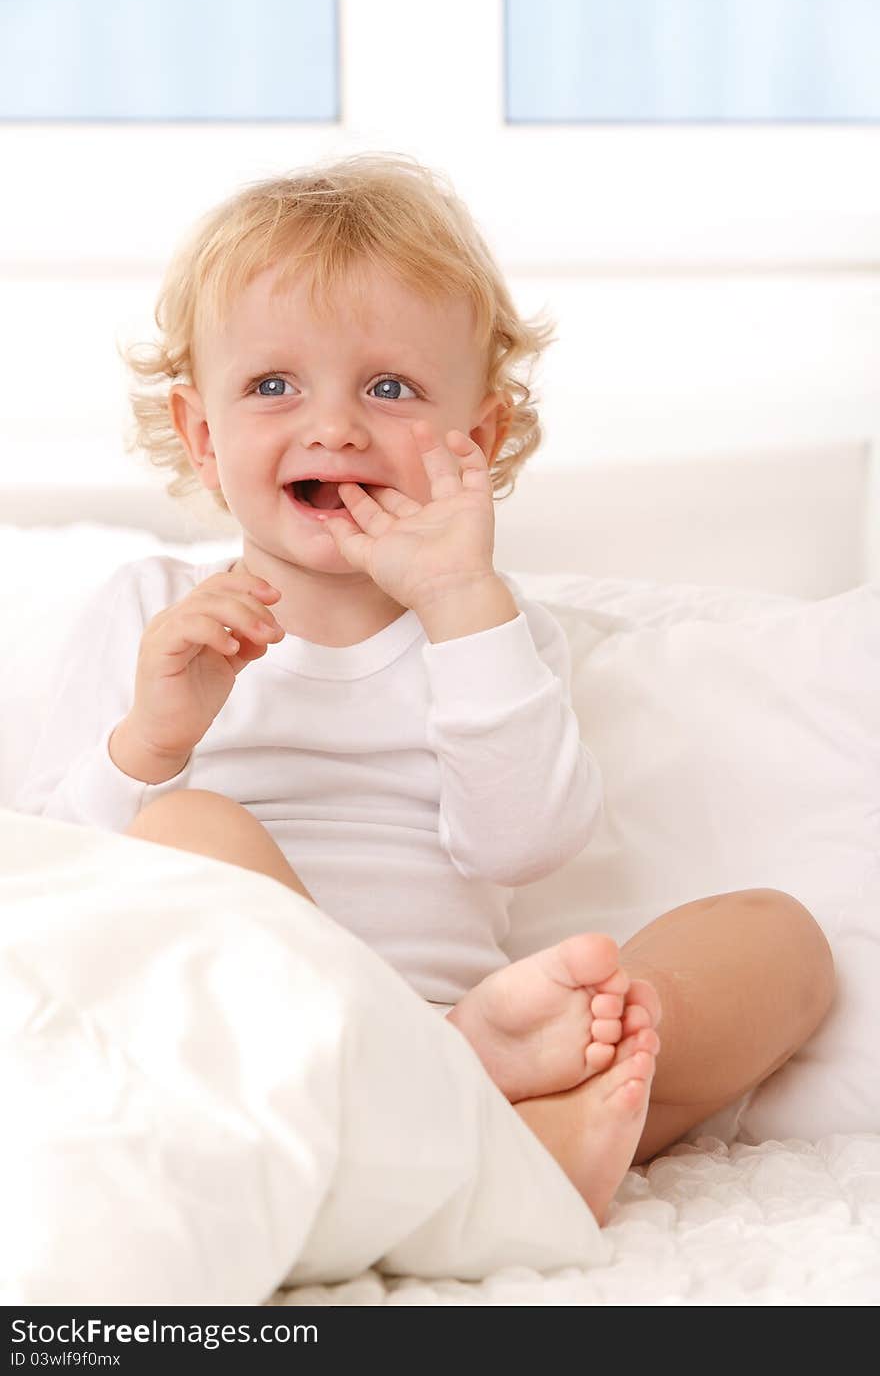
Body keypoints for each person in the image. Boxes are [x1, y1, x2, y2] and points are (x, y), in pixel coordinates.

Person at [16, 154, 834, 1227]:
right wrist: (149, 742)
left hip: (478, 1020)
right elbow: (41, 883)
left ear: (479, 440)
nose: (336, 427)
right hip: (248, 1052)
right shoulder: (151, 612)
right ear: (203, 436)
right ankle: (467, 1124)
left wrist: (461, 611)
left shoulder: (490, 629)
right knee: (189, 826)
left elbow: (523, 847)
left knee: (779, 941)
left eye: (388, 387)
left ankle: (467, 1118)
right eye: (273, 384)